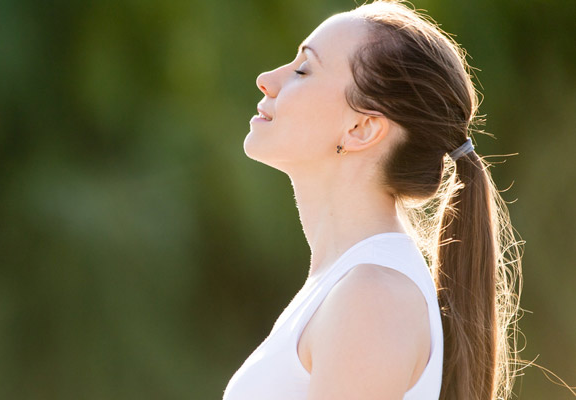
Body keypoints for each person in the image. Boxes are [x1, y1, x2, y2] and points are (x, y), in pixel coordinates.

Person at [223, 1, 523, 399]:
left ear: (361, 128)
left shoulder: (373, 297)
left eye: (302, 69)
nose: (266, 79)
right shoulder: (350, 286)